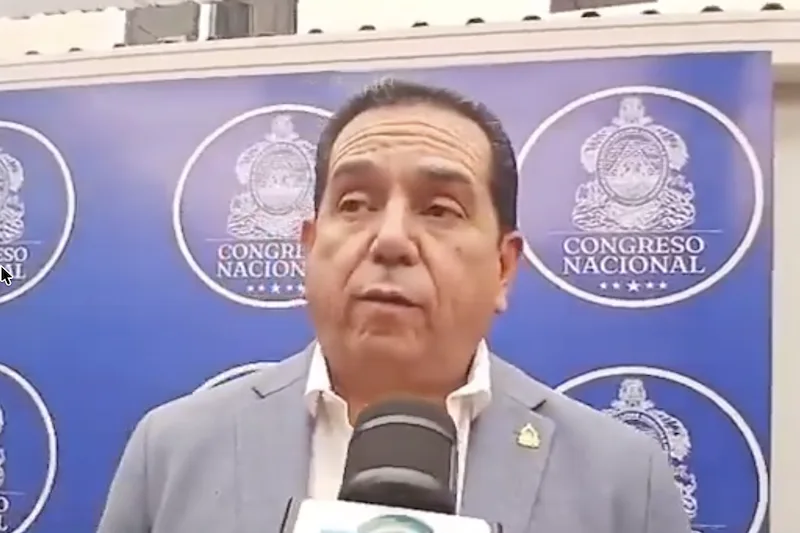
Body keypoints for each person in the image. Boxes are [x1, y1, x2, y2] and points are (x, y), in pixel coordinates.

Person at [97, 79, 691, 533]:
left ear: (503, 267)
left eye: (439, 210)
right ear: (309, 247)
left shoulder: (622, 480)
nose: (390, 240)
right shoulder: (172, 450)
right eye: (355, 203)